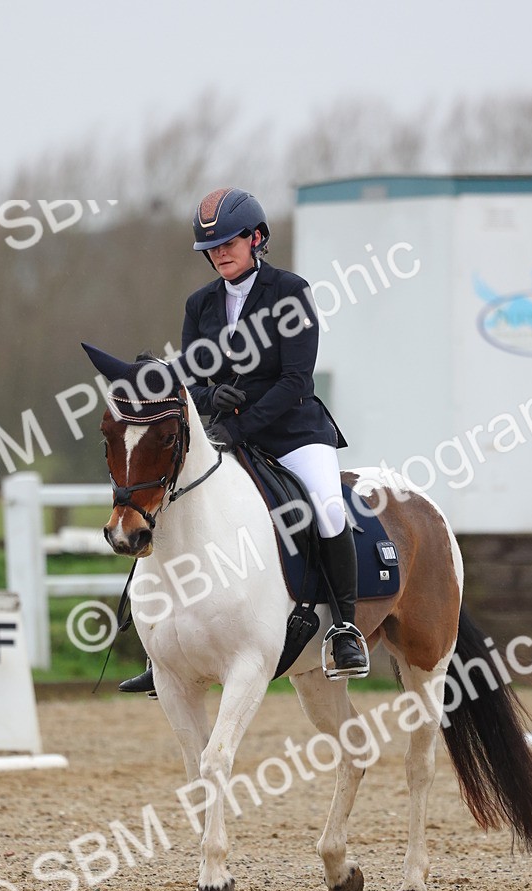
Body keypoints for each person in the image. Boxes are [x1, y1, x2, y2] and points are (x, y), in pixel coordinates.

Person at [120, 186, 368, 693]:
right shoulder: (200, 305)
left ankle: (345, 629)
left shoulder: (290, 292)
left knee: (327, 507)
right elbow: (190, 382)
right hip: (226, 436)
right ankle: (163, 645)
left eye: (229, 243)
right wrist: (210, 396)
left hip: (294, 432)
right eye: (211, 248)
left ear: (256, 238)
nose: (220, 254)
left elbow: (296, 381)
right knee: (174, 506)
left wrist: (238, 425)